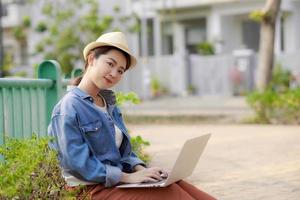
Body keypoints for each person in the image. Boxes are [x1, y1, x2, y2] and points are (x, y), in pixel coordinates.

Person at [48, 32, 216, 200]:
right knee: (171, 194)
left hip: (116, 183)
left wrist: (141, 170)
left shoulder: (109, 104)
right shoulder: (68, 107)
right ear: (91, 59)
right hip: (90, 190)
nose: (114, 73)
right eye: (110, 64)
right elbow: (77, 163)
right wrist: (126, 177)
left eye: (120, 70)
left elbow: (123, 153)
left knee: (180, 186)